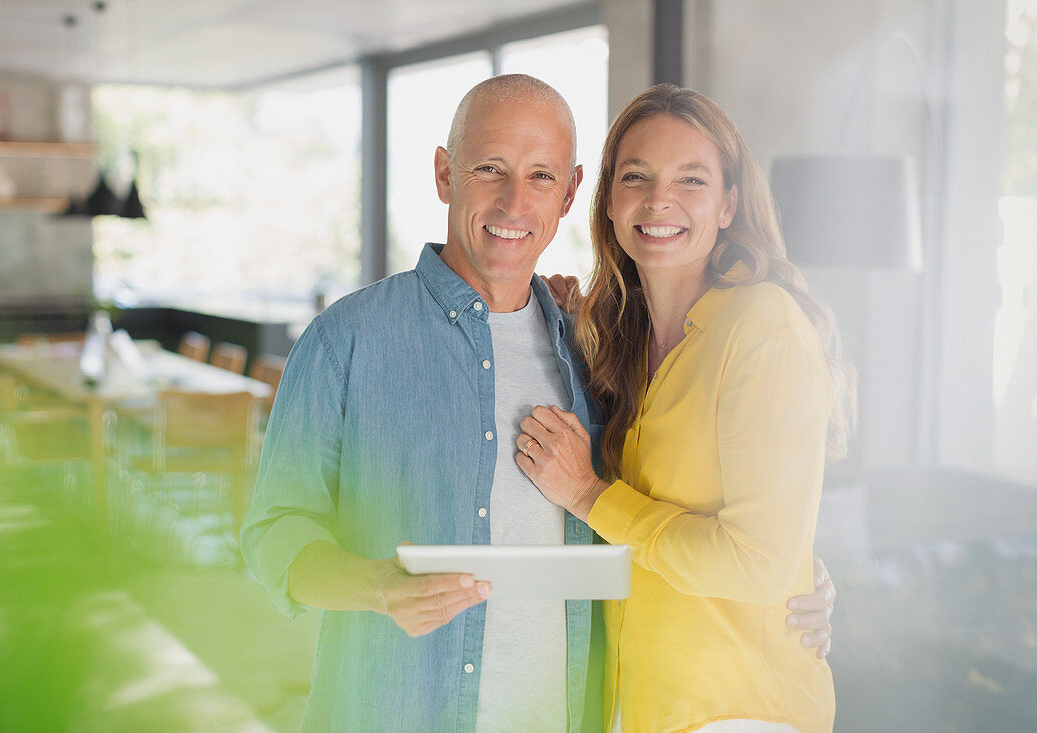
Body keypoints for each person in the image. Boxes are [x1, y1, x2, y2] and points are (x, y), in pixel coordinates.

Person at [241, 75, 834, 733]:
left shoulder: (591, 353)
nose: (514, 201)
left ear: (573, 191)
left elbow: (698, 520)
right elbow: (273, 535)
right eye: (489, 168)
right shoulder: (348, 339)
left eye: (541, 176)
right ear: (444, 173)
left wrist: (794, 570)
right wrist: (377, 587)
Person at [517, 84, 853, 733]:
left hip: (741, 710)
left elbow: (757, 563)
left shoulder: (763, 325)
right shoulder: (616, 339)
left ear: (728, 204)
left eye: (690, 180)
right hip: (640, 704)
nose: (657, 200)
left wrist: (590, 494)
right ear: (609, 200)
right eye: (635, 176)